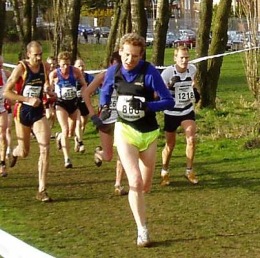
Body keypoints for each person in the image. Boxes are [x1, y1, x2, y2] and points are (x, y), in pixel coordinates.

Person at [97, 33, 174, 247]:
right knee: (135, 182)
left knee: (146, 185)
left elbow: (169, 101)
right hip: (125, 130)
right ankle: (142, 230)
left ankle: (141, 220)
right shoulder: (114, 71)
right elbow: (104, 92)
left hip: (148, 133)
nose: (130, 60)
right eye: (127, 55)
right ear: (120, 52)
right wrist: (104, 107)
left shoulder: (149, 73)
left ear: (141, 56)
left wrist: (148, 106)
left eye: (135, 56)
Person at [3, 41, 54, 202]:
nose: (38, 58)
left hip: (38, 112)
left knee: (45, 148)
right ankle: (14, 152)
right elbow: (6, 92)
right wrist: (27, 99)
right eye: (35, 55)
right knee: (25, 152)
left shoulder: (45, 67)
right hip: (22, 112)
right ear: (28, 55)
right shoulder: (21, 68)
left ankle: (42, 189)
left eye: (40, 54)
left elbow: (46, 84)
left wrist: (48, 90)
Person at [82, 51, 127, 196]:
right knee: (108, 156)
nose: (117, 70)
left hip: (122, 120)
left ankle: (118, 184)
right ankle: (98, 153)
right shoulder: (103, 76)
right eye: (114, 65)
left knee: (123, 152)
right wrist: (93, 115)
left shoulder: (128, 77)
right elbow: (86, 93)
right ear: (110, 64)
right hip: (105, 120)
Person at [160, 45, 200, 186]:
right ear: (175, 58)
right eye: (181, 58)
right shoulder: (167, 73)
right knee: (170, 145)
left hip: (187, 110)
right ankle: (164, 171)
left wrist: (195, 91)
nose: (184, 60)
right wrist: (169, 87)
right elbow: (157, 93)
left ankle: (189, 170)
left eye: (186, 57)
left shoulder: (193, 69)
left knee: (191, 138)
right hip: (171, 112)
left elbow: (192, 83)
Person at [49, 51, 88, 168]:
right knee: (66, 130)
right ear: (59, 64)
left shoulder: (75, 71)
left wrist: (83, 90)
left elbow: (84, 84)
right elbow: (49, 89)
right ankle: (67, 159)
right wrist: (50, 93)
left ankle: (59, 137)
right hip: (61, 104)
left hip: (73, 103)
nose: (65, 67)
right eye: (63, 65)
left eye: (67, 64)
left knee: (72, 130)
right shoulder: (54, 74)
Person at [73, 58, 94, 153]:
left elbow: (95, 89)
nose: (81, 68)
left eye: (82, 66)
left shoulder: (89, 77)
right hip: (75, 103)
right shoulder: (72, 77)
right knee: (78, 123)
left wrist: (90, 92)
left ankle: (77, 139)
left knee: (83, 124)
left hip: (85, 103)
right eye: (79, 66)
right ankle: (80, 143)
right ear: (75, 67)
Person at [0, 55, 11, 177]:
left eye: (1, 65)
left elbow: (17, 80)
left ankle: (2, 164)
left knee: (3, 135)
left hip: (1, 109)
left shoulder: (5, 74)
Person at [44, 56, 57, 138]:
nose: (52, 65)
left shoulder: (57, 73)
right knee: (49, 115)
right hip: (45, 96)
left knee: (53, 115)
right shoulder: (44, 73)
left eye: (53, 64)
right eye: (50, 64)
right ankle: (45, 131)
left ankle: (49, 131)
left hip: (54, 95)